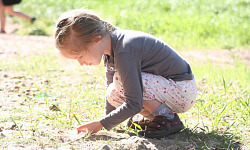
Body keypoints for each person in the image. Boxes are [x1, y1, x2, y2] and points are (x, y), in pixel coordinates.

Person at [54, 9, 197, 139]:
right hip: (168, 90)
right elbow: (113, 91)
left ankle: (168, 118)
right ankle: (155, 118)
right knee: (113, 91)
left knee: (119, 81)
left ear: (96, 39)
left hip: (182, 90)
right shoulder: (110, 48)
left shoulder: (124, 49)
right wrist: (106, 121)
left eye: (80, 56)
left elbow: (134, 103)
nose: (81, 63)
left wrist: (101, 124)